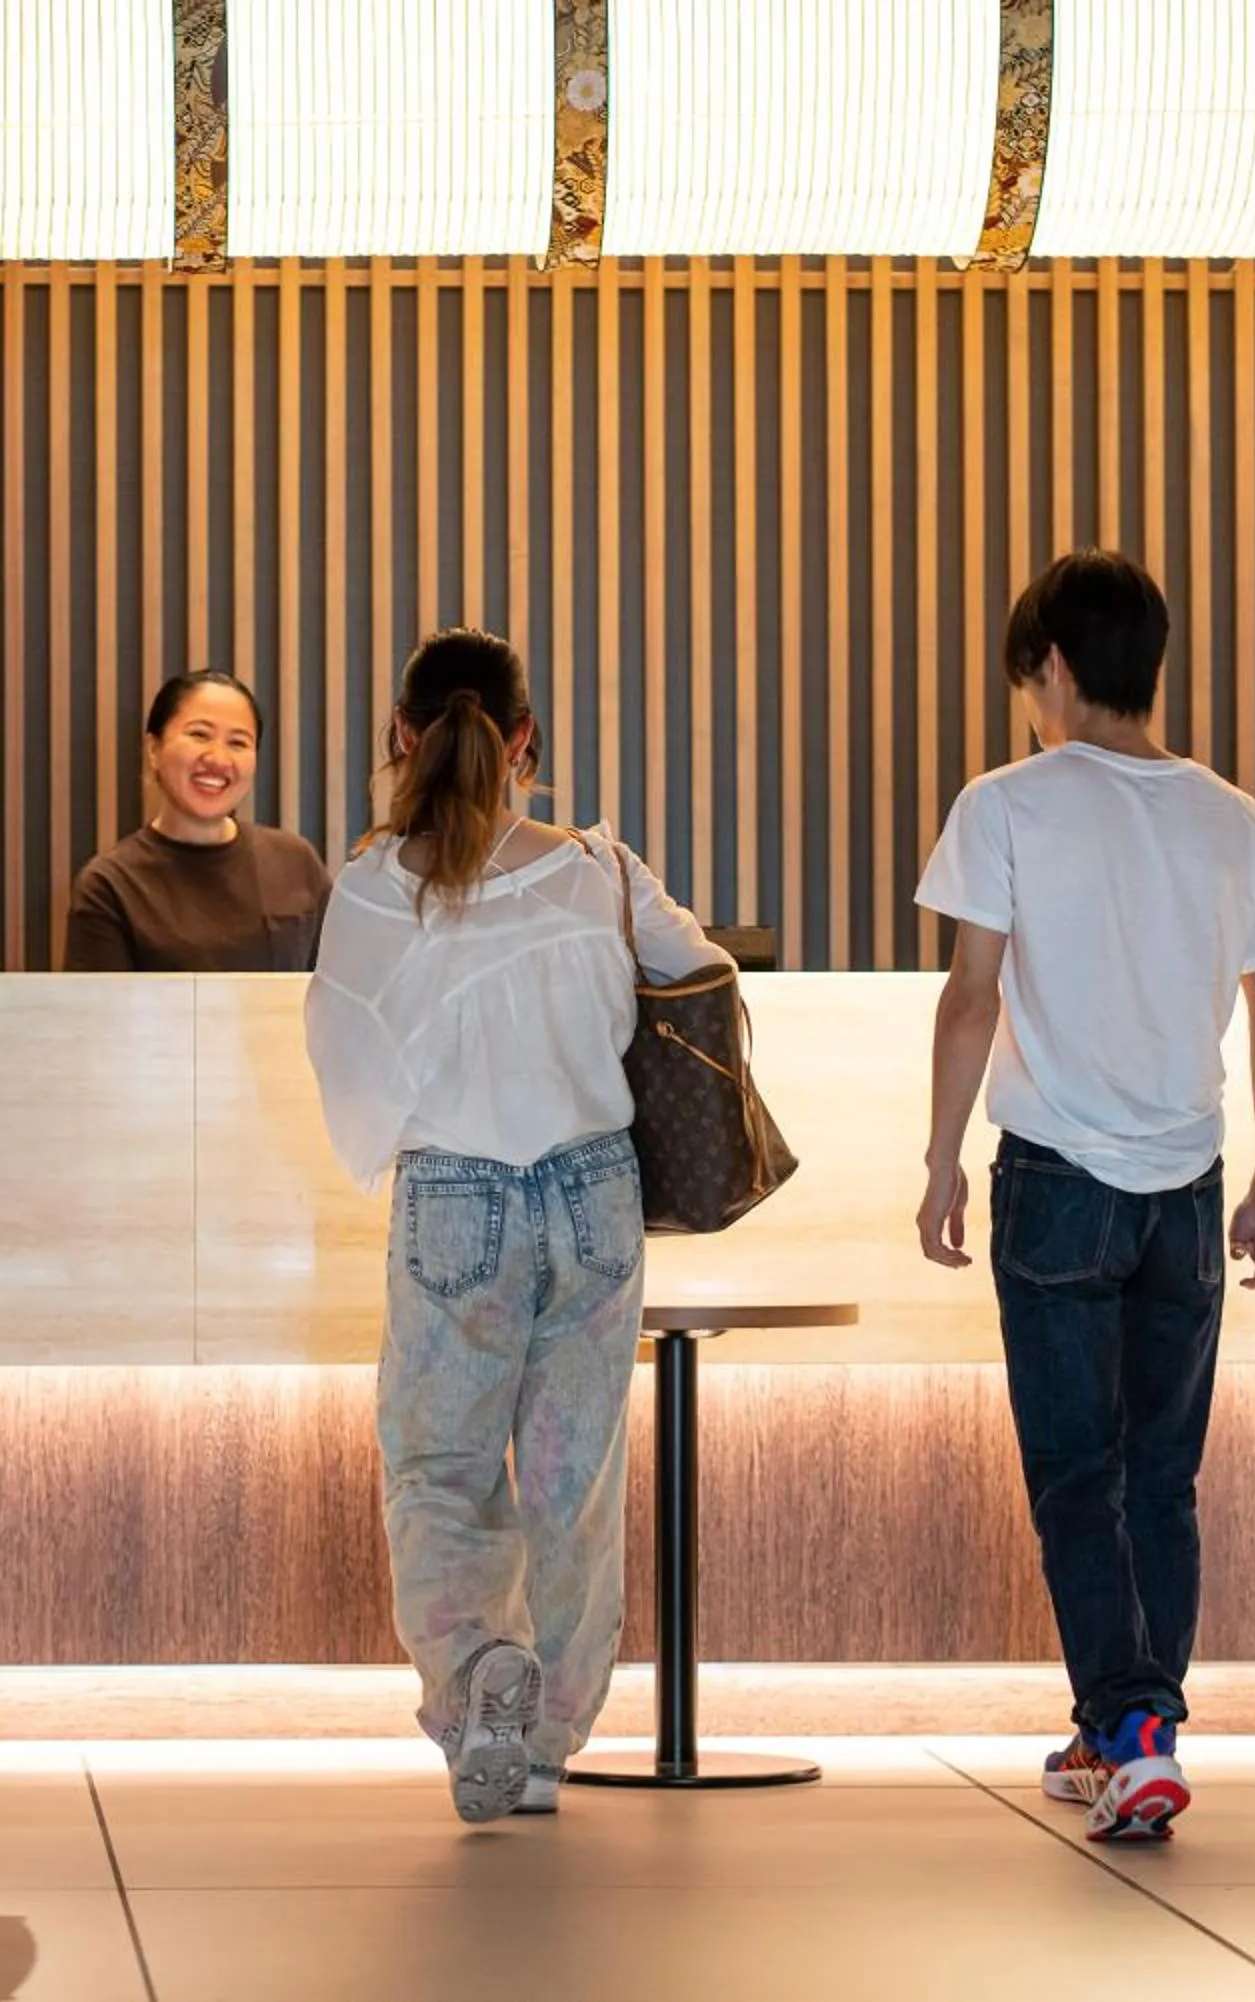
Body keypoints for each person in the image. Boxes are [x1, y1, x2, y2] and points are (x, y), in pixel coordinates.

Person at [912, 549, 1255, 1844]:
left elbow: (973, 992)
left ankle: (1137, 1730)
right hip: (1185, 1187)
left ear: (1058, 666)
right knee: (1162, 1477)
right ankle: (1122, 1727)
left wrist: (938, 1156)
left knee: (1079, 1473)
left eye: (1030, 674)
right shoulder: (1228, 814)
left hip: (1056, 1183)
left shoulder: (1007, 802)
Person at [305, 626, 730, 1823]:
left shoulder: (372, 884)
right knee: (573, 1480)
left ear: (401, 735)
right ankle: (544, 1749)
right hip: (594, 1190)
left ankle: (474, 1672)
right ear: (529, 740)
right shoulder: (598, 864)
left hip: (457, 1196)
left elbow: (344, 1060)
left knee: (438, 1469)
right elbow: (700, 974)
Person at [61, 671, 332, 971]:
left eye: (238, 742)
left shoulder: (296, 862)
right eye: (199, 735)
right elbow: (98, 1014)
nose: (218, 758)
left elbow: (343, 990)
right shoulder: (111, 885)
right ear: (154, 749)